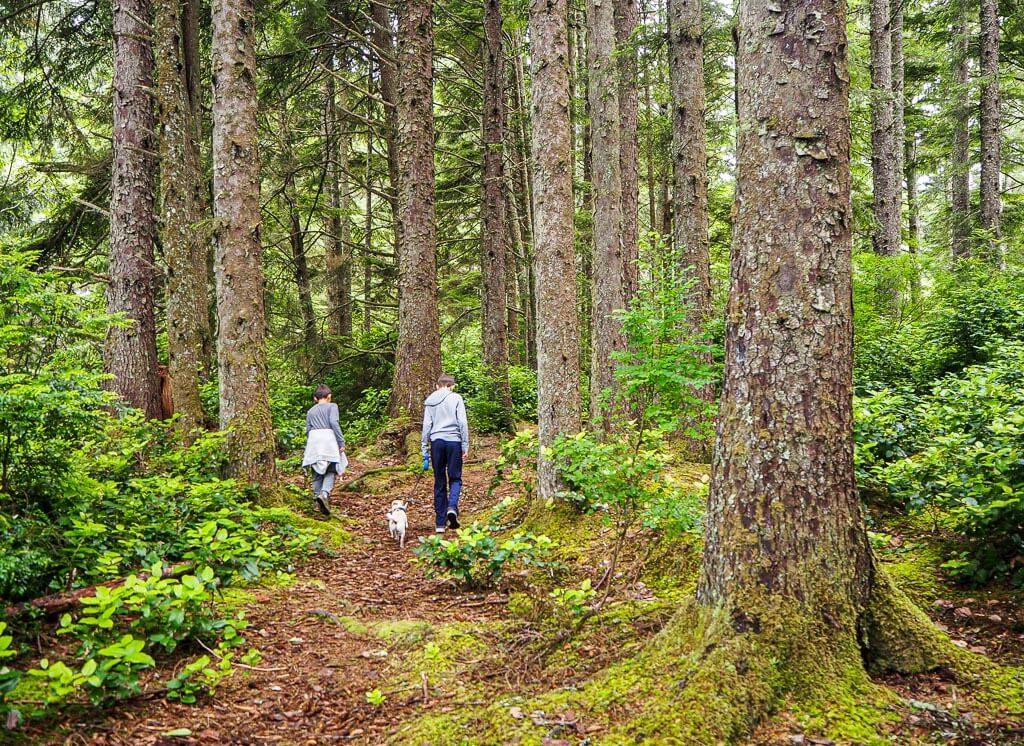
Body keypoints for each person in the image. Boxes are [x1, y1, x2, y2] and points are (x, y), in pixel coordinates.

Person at [421, 373, 469, 533]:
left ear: (437, 385)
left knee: (439, 480)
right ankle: (452, 507)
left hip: (437, 442)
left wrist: (424, 447)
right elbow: (462, 422)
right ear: (452, 386)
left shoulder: (430, 401)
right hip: (453, 441)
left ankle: (440, 523)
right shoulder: (456, 398)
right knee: (455, 478)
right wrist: (465, 445)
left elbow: (427, 425)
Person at [302, 384, 347, 517]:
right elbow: (334, 422)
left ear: (315, 398)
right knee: (331, 469)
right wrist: (341, 441)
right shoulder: (332, 406)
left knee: (316, 470)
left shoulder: (310, 411)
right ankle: (324, 493)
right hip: (328, 440)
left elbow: (308, 430)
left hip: (314, 441)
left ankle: (317, 500)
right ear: (329, 397)